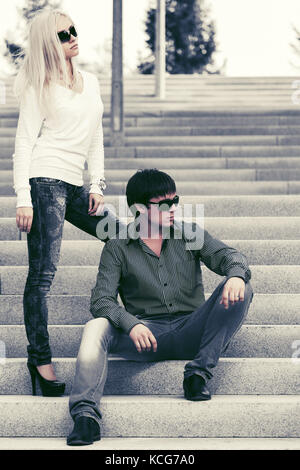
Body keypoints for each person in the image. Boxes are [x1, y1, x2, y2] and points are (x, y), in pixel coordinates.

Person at [67, 168, 254, 446]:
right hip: (145, 336)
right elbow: (101, 301)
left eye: (174, 201)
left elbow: (229, 256)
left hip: (192, 330)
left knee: (243, 288)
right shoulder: (117, 245)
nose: (172, 209)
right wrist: (131, 323)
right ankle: (85, 416)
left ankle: (198, 373)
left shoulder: (189, 233)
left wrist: (236, 275)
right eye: (164, 204)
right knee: (96, 326)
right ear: (140, 209)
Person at [12, 8, 124, 397]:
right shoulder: (37, 86)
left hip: (76, 185)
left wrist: (97, 184)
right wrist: (23, 198)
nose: (73, 37)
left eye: (73, 30)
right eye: (63, 34)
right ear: (48, 42)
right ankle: (39, 359)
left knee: (122, 236)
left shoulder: (89, 81)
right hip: (44, 182)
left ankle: (126, 317)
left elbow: (95, 137)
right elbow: (24, 143)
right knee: (43, 274)